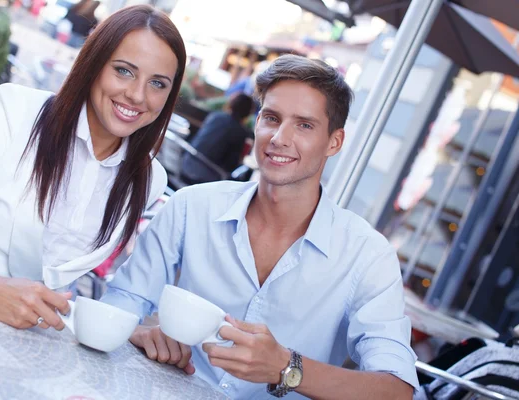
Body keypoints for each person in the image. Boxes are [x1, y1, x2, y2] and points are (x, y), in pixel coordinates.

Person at [102, 54, 419, 399]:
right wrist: (136, 329)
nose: (279, 138)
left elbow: (396, 389)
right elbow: (126, 298)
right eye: (271, 118)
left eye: (304, 125)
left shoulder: (367, 255)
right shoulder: (192, 206)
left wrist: (287, 368)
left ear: (334, 142)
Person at [0, 5, 186, 332]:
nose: (137, 95)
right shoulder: (13, 110)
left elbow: (54, 278)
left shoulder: (149, 179)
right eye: (124, 71)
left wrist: (133, 334)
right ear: (94, 64)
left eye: (158, 83)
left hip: (24, 339)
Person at [180, 93, 254, 184]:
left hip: (186, 163)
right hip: (206, 176)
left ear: (230, 104)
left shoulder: (215, 116)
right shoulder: (241, 132)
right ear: (248, 113)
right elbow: (231, 165)